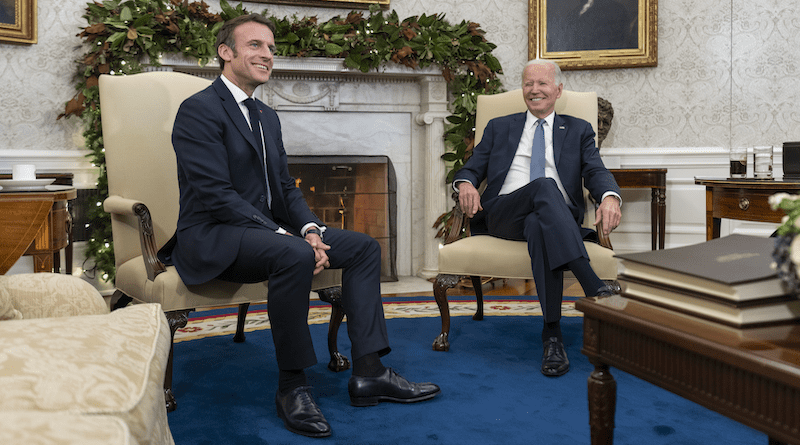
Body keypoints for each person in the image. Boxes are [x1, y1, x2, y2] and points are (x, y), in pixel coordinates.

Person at [157, 13, 440, 438]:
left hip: (267, 236)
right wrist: (286, 236)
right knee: (290, 252)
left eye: (271, 48)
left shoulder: (266, 117)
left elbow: (285, 188)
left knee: (364, 247)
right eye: (255, 45)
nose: (267, 55)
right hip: (213, 237)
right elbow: (216, 195)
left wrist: (309, 228)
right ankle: (292, 386)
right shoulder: (197, 110)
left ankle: (369, 372)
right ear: (225, 52)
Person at [453, 59, 622, 377]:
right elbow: (471, 168)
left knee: (540, 225)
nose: (534, 90)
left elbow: (595, 171)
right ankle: (592, 284)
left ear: (557, 89)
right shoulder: (500, 126)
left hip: (552, 220)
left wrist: (610, 197)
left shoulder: (578, 129)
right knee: (543, 185)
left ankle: (552, 336)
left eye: (542, 83)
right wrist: (464, 184)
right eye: (528, 83)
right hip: (504, 213)